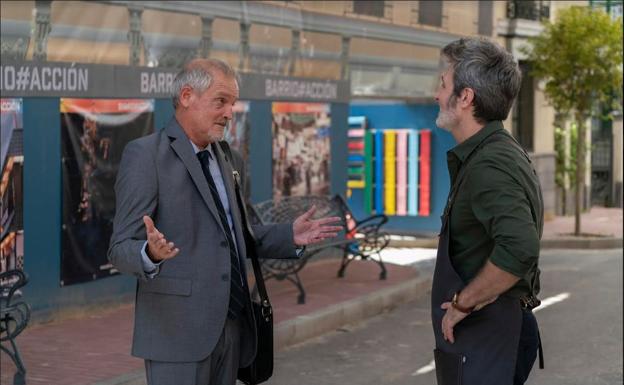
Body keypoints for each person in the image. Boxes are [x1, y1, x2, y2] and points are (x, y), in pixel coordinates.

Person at [108, 58, 342, 385]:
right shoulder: (145, 156)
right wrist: (150, 254)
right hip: (177, 337)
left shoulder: (229, 158)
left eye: (233, 103)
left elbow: (235, 237)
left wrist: (289, 236)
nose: (230, 113)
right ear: (187, 96)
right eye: (221, 101)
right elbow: (119, 248)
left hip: (232, 329)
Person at [430, 37, 544, 385]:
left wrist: (463, 305)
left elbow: (519, 246)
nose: (436, 94)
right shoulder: (494, 151)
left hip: (491, 335)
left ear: (465, 98)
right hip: (491, 335)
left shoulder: (490, 162)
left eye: (443, 84)